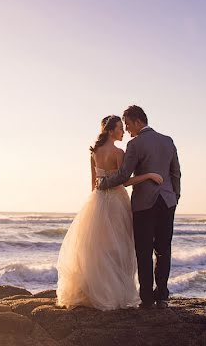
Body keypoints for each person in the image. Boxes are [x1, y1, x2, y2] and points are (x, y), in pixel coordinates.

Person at [56, 114, 164, 310]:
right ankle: (114, 293)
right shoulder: (118, 152)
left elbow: (93, 184)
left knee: (97, 249)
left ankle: (94, 291)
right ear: (111, 130)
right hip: (116, 202)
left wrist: (93, 206)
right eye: (120, 128)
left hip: (97, 201)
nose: (123, 131)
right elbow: (124, 180)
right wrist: (147, 175)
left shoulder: (94, 152)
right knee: (118, 248)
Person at [95, 105, 181, 309]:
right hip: (167, 202)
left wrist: (103, 182)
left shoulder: (135, 144)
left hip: (145, 203)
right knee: (163, 249)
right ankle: (162, 295)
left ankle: (147, 298)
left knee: (143, 250)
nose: (127, 130)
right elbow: (176, 172)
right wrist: (175, 197)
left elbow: (124, 175)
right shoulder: (168, 141)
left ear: (137, 122)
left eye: (128, 125)